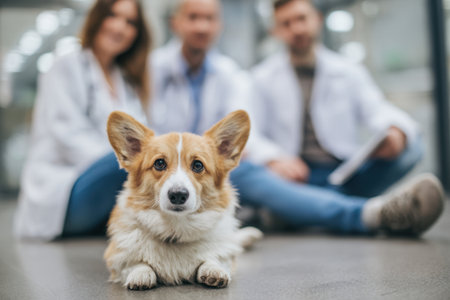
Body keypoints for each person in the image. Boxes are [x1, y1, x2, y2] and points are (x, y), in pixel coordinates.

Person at [150, 0, 444, 236]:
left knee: (412, 146)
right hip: (293, 176)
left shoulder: (348, 71)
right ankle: (372, 214)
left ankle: (296, 210)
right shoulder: (259, 78)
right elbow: (248, 135)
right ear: (277, 31)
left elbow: (378, 109)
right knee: (247, 171)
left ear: (316, 19)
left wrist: (394, 132)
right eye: (286, 23)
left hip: (341, 174)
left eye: (301, 19)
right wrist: (276, 158)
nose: (296, 29)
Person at [14, 0, 152, 240]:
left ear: (136, 34)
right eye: (113, 15)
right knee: (137, 160)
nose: (120, 27)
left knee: (149, 159)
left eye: (130, 22)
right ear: (97, 18)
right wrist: (123, 160)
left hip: (105, 190)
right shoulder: (65, 65)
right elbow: (67, 136)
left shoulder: (126, 82)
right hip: (63, 194)